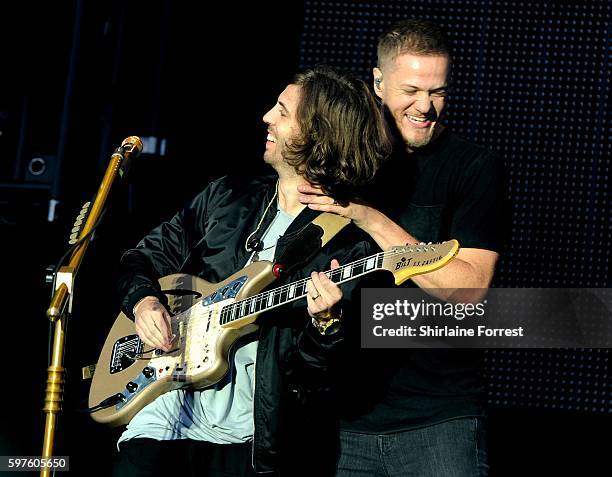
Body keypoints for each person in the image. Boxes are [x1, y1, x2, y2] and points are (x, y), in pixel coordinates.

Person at [111, 64, 389, 477]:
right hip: (166, 412)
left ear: (316, 135)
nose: (266, 117)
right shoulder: (226, 197)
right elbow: (141, 257)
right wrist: (145, 301)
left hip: (253, 441)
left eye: (282, 110)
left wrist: (327, 326)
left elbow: (325, 381)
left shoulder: (351, 242)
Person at [299, 19, 507, 476]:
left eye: (438, 92)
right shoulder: (345, 163)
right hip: (340, 422)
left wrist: (370, 217)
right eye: (411, 90)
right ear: (377, 81)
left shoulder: (474, 167)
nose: (426, 107)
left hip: (438, 421)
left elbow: (469, 293)